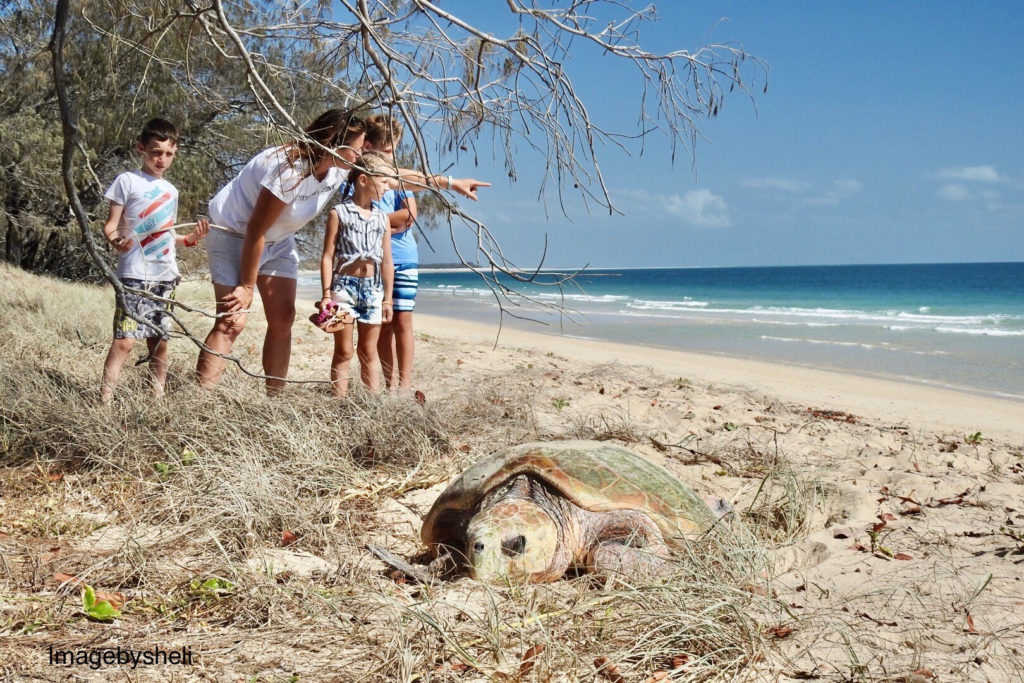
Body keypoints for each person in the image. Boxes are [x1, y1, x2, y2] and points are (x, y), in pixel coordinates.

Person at [196, 108, 489, 393]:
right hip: (234, 234)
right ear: (334, 145)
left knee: (283, 317)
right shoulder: (289, 171)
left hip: (279, 240)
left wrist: (450, 182)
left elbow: (394, 176)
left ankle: (274, 398)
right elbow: (255, 230)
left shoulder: (338, 168)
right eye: (359, 148)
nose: (363, 155)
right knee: (232, 320)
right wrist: (247, 286)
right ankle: (203, 399)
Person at [100, 117, 209, 404]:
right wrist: (116, 241)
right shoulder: (127, 180)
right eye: (156, 152)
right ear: (141, 149)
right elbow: (110, 226)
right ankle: (105, 403)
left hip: (165, 275)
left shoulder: (171, 191)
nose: (162, 159)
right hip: (134, 273)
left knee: (159, 343)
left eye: (169, 154)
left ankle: (157, 399)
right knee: (124, 341)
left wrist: (190, 239)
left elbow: (166, 234)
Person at [317, 153, 394, 396]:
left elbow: (387, 261)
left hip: (373, 290)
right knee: (344, 352)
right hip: (343, 290)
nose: (387, 187)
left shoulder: (383, 218)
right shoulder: (338, 213)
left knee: (368, 351)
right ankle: (338, 402)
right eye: (383, 181)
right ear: (363, 180)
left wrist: (387, 298)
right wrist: (327, 295)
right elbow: (328, 256)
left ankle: (372, 408)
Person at [363, 114, 419, 392]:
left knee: (403, 321)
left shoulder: (399, 178)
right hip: (372, 260)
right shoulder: (358, 178)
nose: (391, 156)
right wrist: (387, 221)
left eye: (394, 149)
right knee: (382, 323)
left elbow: (409, 216)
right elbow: (356, 216)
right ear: (368, 146)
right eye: (386, 150)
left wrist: (376, 221)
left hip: (404, 258)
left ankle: (404, 387)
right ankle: (388, 384)